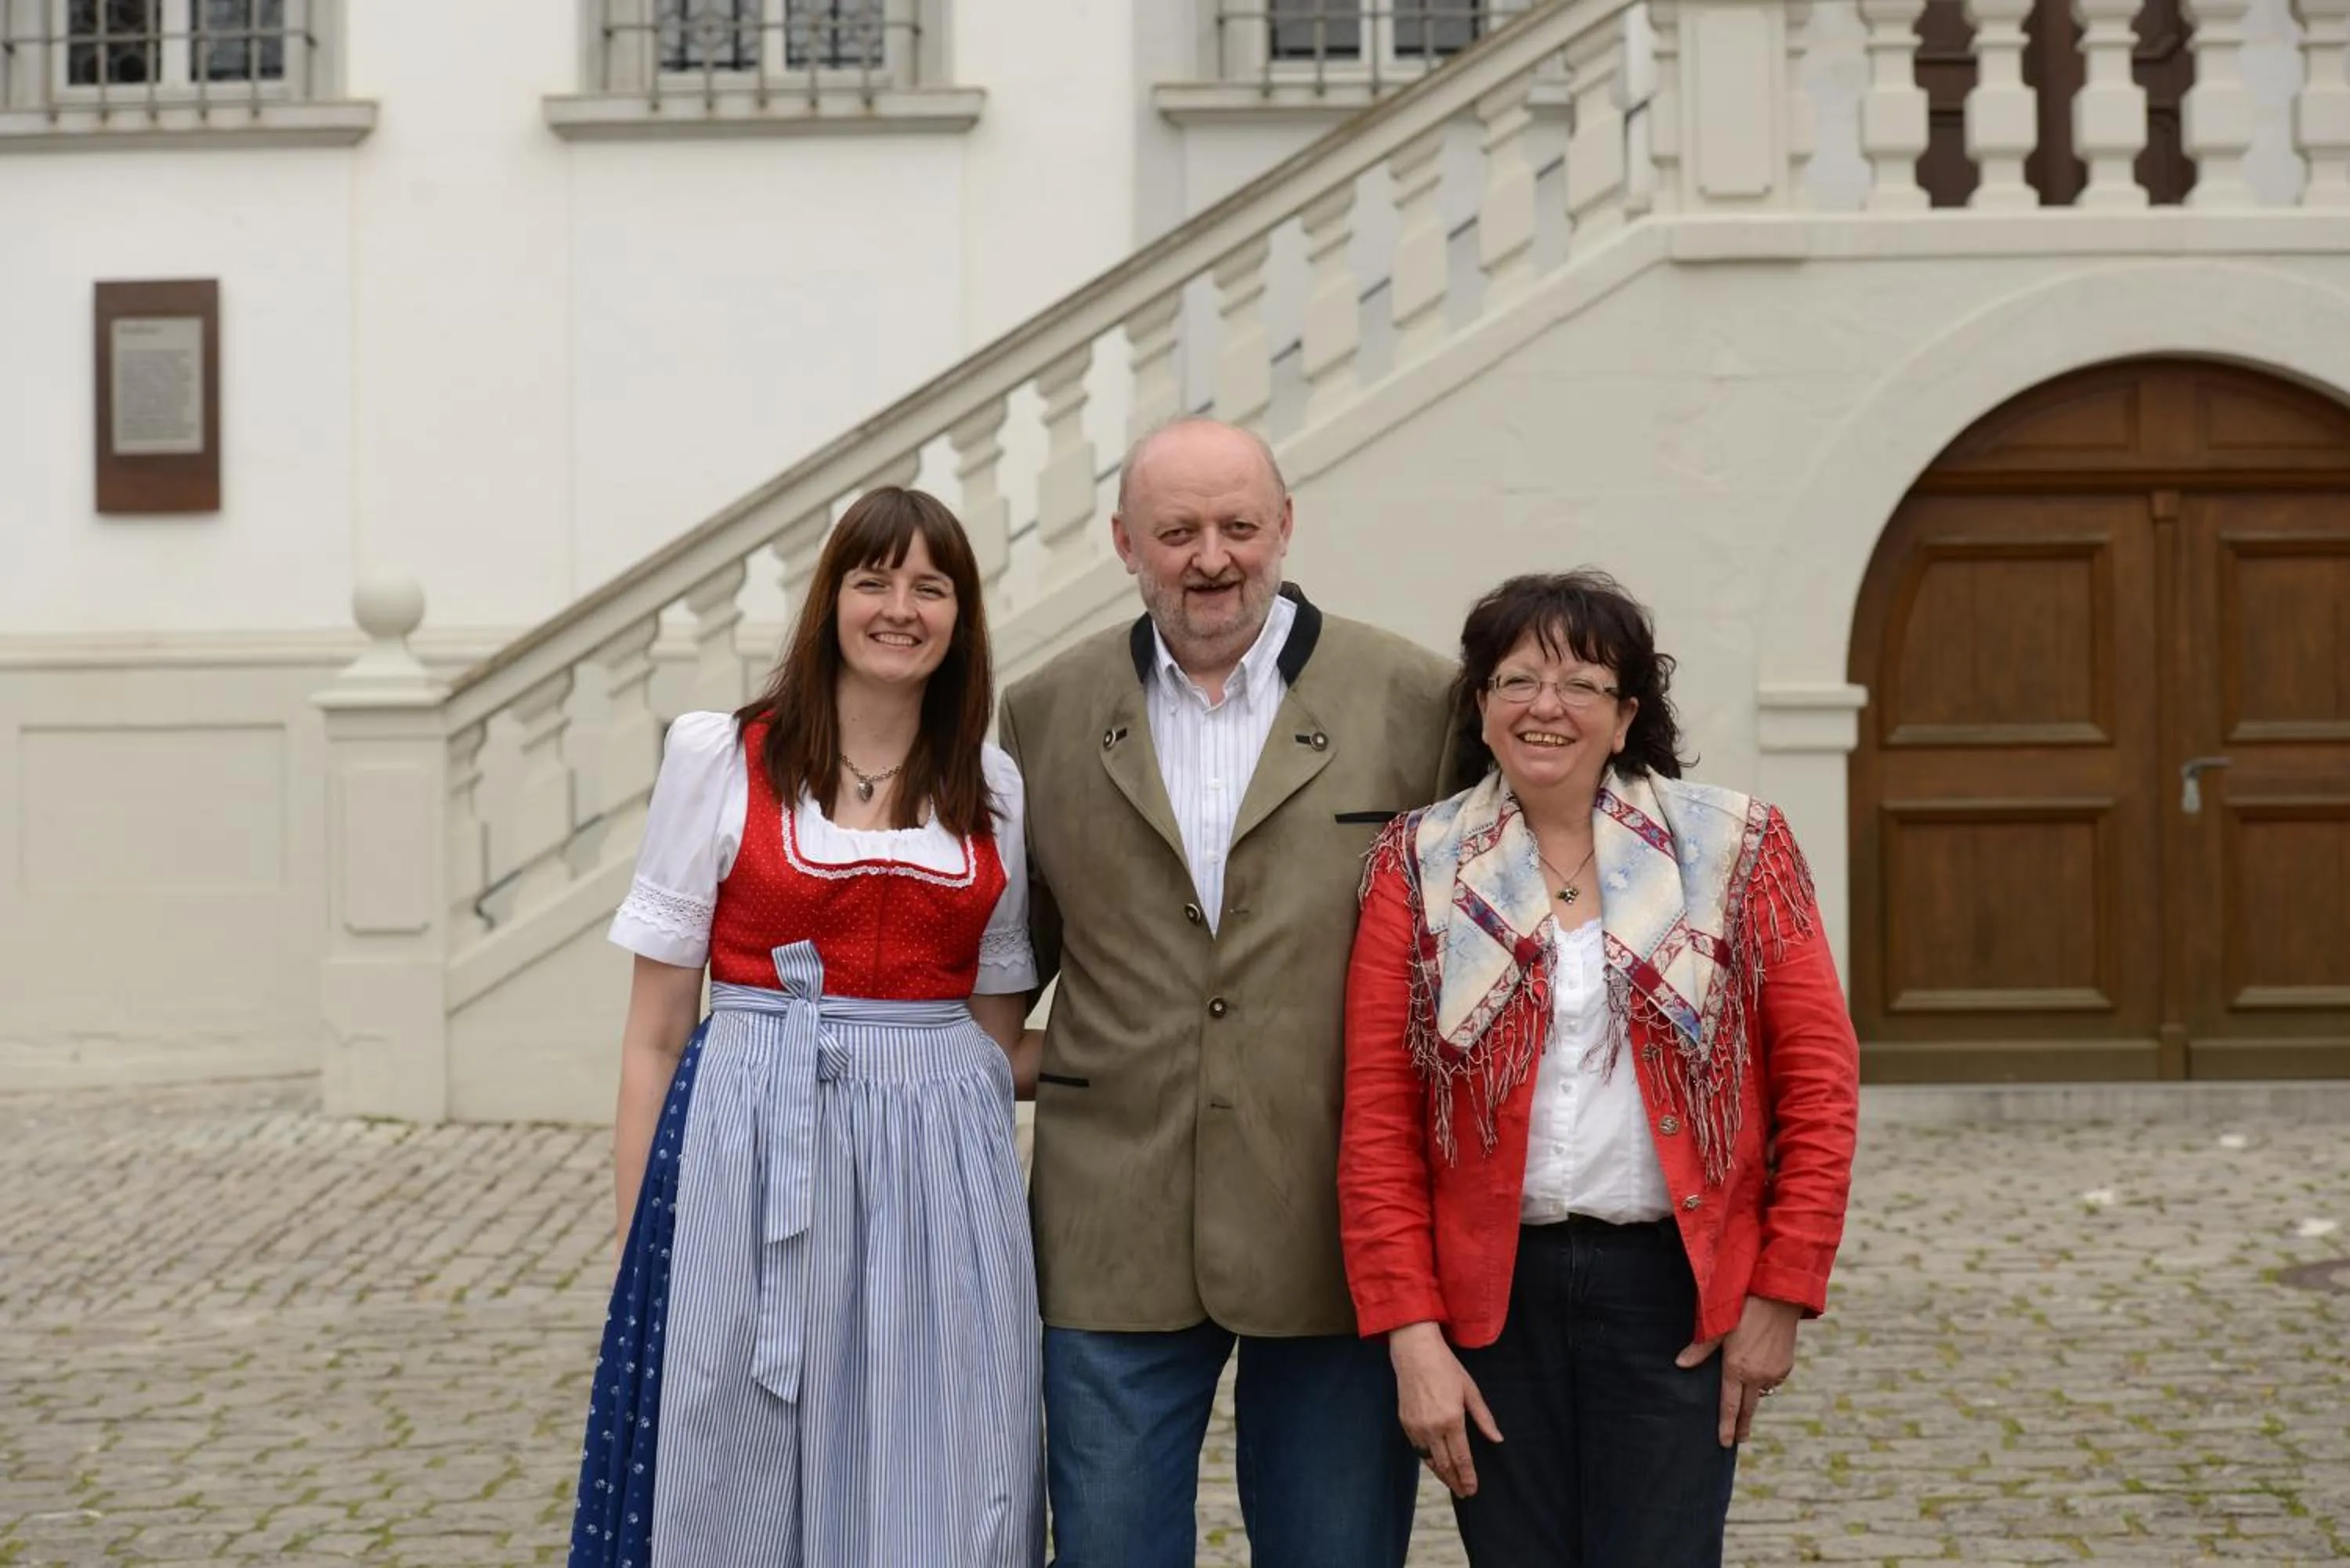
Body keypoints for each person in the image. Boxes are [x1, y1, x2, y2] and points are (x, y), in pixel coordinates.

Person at [996, 417, 1455, 1568]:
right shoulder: (1042, 713)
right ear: (1124, 543)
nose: (1214, 557)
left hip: (1333, 1218)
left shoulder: (1415, 699)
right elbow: (1007, 966)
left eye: (1240, 526)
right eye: (1179, 531)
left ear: (1286, 526)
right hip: (1110, 1219)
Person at [1339, 569, 1860, 1567]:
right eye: (1516, 680)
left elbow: (1820, 1085)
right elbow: (1378, 1119)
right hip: (1494, 1302)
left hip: (1673, 1293)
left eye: (1581, 682)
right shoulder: (1417, 863)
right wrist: (1411, 1333)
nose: (1546, 706)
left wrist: (1782, 1294)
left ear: (1626, 716)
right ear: (1481, 711)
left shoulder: (1739, 848)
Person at [567, 487, 1045, 1568]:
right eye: (873, 579)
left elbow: (999, 1039)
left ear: (961, 619)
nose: (899, 607)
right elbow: (652, 1038)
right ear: (831, 598)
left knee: (942, 1451)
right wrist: (641, 1237)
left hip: (938, 1177)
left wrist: (1162, 1049)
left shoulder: (994, 789)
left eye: (931, 587)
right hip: (748, 1146)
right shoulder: (722, 759)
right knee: (735, 1447)